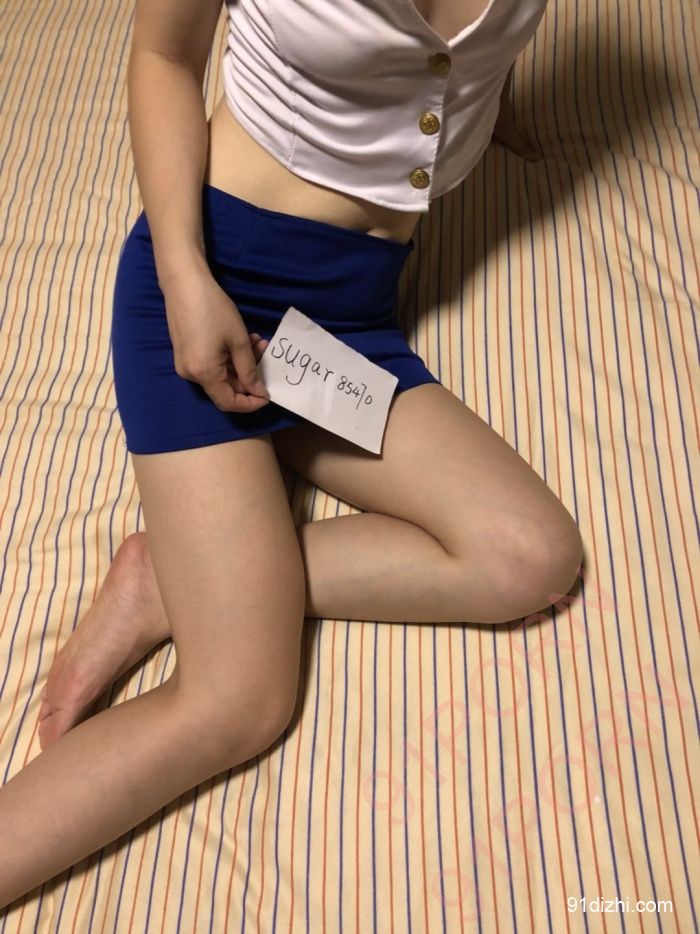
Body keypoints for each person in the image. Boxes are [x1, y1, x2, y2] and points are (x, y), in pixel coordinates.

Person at [0, 0, 582, 908]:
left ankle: (170, 583)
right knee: (239, 701)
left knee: (528, 557)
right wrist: (186, 281)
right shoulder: (194, 285)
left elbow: (462, 47)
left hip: (340, 329)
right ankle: (206, 581)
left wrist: (481, 96)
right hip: (210, 289)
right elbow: (163, 57)